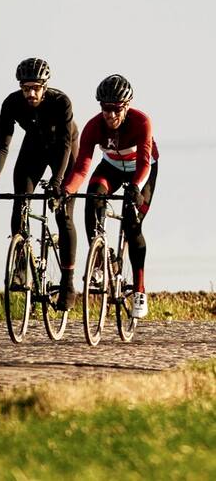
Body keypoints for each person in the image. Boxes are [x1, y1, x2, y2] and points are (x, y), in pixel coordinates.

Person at [0, 57, 79, 310]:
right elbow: (1, 144)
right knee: (20, 202)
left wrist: (57, 182)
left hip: (64, 150)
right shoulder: (12, 103)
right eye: (25, 89)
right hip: (34, 147)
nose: (30, 94)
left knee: (63, 214)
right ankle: (21, 266)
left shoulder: (61, 102)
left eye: (35, 88)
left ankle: (67, 282)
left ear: (45, 86)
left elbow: (65, 145)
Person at [63, 73, 159, 319]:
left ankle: (139, 290)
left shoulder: (141, 122)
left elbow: (144, 164)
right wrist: (66, 191)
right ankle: (99, 263)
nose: (111, 114)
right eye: (106, 108)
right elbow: (82, 168)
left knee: (132, 224)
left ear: (127, 106)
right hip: (112, 167)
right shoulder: (94, 126)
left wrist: (135, 187)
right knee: (92, 197)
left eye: (116, 109)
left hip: (141, 171)